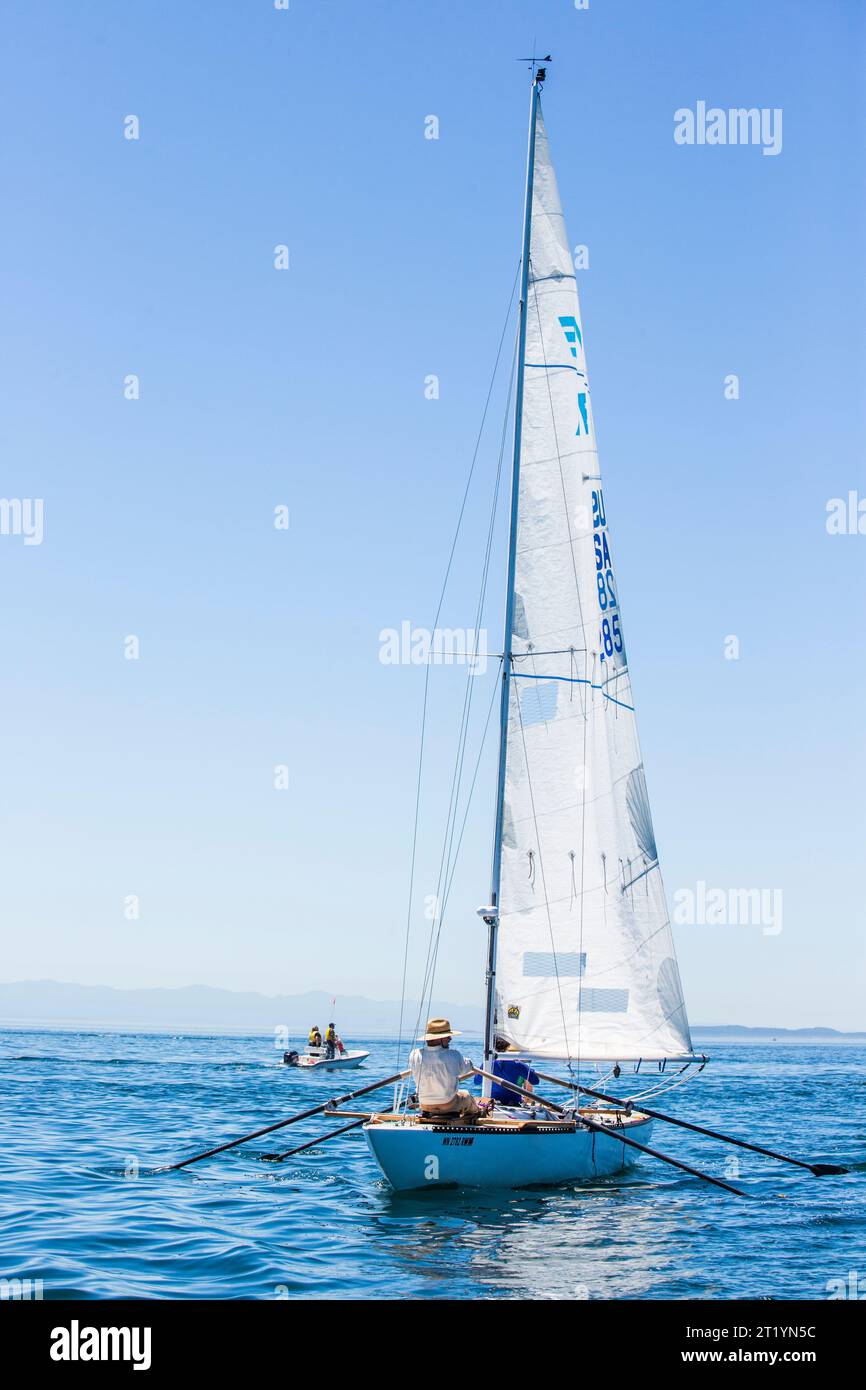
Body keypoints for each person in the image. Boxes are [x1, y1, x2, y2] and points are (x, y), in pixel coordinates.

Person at [409, 1017, 480, 1119]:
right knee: (467, 1095)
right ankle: (477, 1114)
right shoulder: (454, 1055)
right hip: (449, 1105)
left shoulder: (414, 1055)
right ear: (439, 1038)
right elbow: (467, 1067)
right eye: (447, 1037)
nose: (450, 1039)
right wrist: (469, 1063)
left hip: (425, 1105)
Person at [475, 1036, 540, 1106]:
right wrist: (529, 1070)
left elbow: (476, 1081)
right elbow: (535, 1081)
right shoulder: (518, 1065)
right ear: (509, 1046)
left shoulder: (487, 1064)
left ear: (493, 1046)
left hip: (491, 1104)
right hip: (513, 1103)